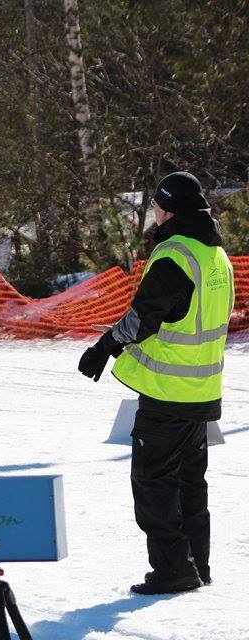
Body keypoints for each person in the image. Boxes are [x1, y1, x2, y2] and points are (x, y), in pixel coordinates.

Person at [78, 171, 234, 595]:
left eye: (157, 207)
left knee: (154, 482)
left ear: (166, 209)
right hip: (202, 391)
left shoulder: (175, 255)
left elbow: (143, 317)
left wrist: (103, 346)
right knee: (189, 483)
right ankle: (196, 564)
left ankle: (173, 571)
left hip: (168, 393)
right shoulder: (214, 255)